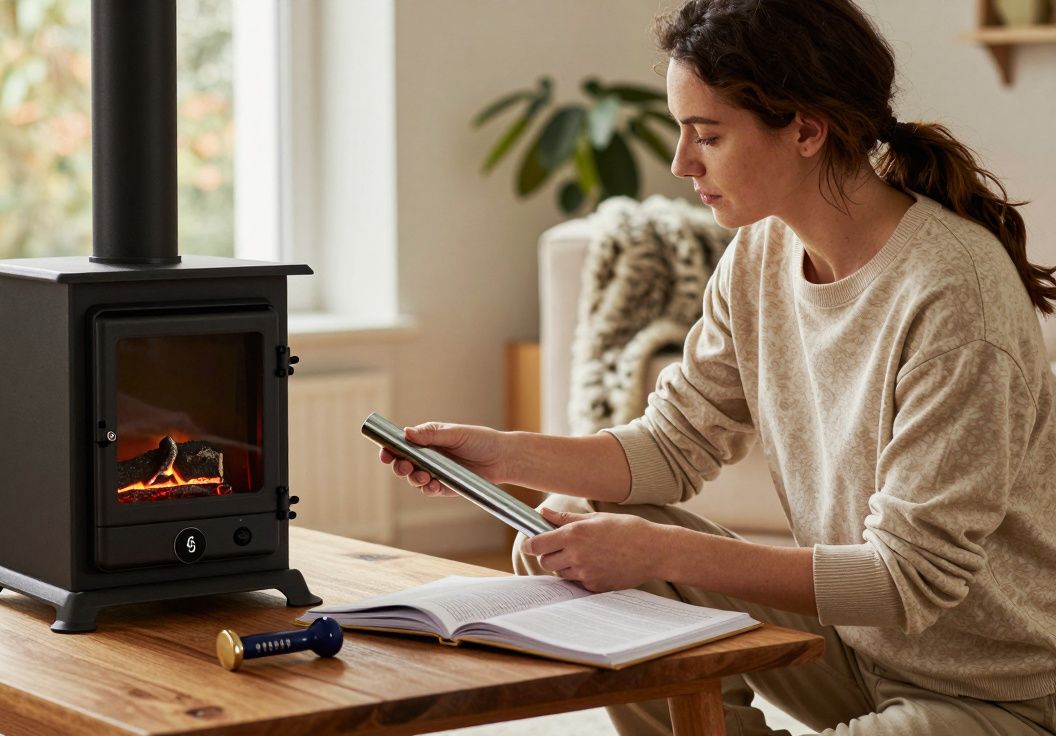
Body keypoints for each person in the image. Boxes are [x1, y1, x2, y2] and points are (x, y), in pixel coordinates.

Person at [379, 1, 1056, 734]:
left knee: (628, 545)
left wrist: (661, 551)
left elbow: (907, 578)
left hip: (994, 691)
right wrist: (498, 454)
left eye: (707, 135)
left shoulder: (954, 294)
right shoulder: (760, 256)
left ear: (805, 129)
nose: (681, 163)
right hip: (853, 653)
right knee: (568, 533)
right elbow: (670, 449)